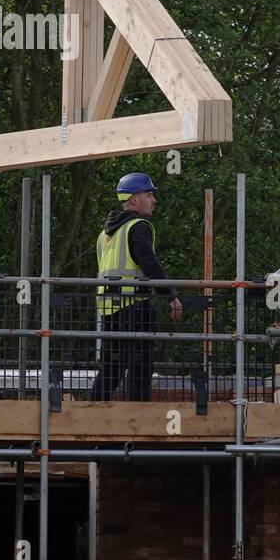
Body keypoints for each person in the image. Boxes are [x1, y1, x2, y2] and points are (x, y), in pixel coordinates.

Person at [89, 172, 183, 402]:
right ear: (134, 199)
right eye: (149, 194)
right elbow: (149, 264)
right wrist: (171, 296)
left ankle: (90, 412)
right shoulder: (138, 226)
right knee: (140, 366)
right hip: (134, 307)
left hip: (109, 310)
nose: (154, 200)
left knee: (112, 367)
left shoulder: (106, 233)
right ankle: (139, 418)